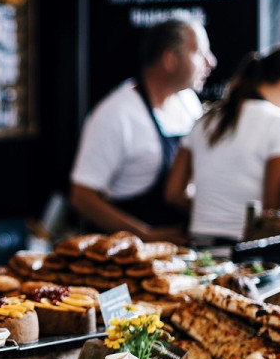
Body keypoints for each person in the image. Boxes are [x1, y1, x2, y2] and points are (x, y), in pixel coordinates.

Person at [70, 16, 217, 244]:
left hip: (182, 250)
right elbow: (82, 197)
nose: (211, 62)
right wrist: (144, 235)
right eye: (200, 53)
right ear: (170, 59)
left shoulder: (188, 102)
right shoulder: (116, 114)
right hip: (126, 257)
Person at [164, 46, 280, 244]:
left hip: (200, 246)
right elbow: (273, 208)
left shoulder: (206, 119)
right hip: (248, 250)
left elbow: (173, 193)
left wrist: (212, 209)